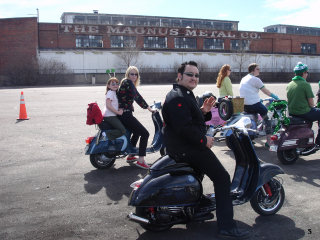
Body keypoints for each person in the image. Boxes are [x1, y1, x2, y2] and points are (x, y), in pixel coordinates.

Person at [162, 61, 249, 239]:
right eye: (190, 74)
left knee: (201, 171)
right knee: (222, 177)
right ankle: (226, 227)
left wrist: (203, 111)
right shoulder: (179, 96)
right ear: (179, 76)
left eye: (196, 75)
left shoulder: (183, 94)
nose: (194, 78)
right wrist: (204, 140)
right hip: (187, 147)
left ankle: (196, 204)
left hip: (185, 145)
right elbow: (184, 129)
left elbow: (189, 120)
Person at [117, 66, 154, 169]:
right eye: (131, 74)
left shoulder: (126, 83)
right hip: (125, 115)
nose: (134, 76)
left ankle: (131, 155)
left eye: (136, 74)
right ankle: (141, 160)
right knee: (145, 133)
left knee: (137, 131)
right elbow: (137, 96)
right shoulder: (128, 82)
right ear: (127, 75)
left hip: (125, 114)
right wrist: (148, 108)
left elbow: (131, 96)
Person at [239, 63, 279, 134]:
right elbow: (266, 91)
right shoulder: (256, 79)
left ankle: (252, 135)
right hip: (253, 104)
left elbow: (248, 91)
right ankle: (269, 140)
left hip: (245, 105)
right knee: (268, 118)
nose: (259, 70)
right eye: (257, 69)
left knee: (254, 118)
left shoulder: (244, 78)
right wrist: (274, 96)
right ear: (252, 70)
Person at [286, 62, 320, 146]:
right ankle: (318, 141)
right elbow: (311, 104)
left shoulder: (290, 84)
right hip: (303, 113)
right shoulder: (305, 84)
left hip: (292, 112)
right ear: (304, 73)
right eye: (307, 72)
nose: (307, 74)